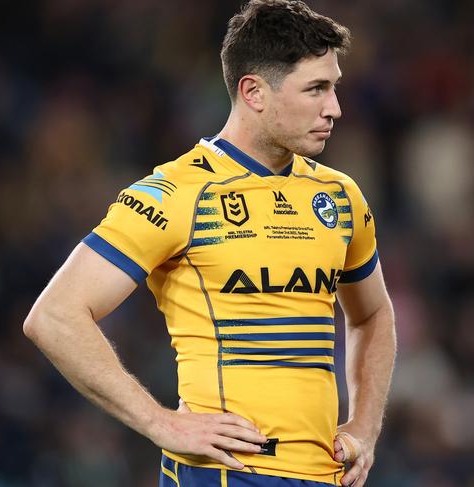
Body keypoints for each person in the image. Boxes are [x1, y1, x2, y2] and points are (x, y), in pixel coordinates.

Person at [23, 1, 396, 486]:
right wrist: (160, 423)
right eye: (316, 89)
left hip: (325, 476)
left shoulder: (339, 196)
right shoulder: (176, 193)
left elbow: (372, 314)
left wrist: (364, 428)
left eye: (334, 87)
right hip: (225, 474)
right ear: (253, 92)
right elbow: (54, 317)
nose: (335, 108)